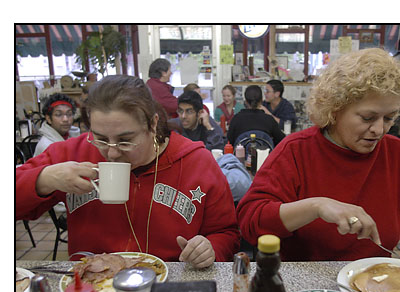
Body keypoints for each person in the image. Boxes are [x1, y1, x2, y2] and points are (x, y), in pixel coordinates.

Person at [237, 48, 400, 273]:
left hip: (374, 281)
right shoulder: (296, 151)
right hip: (307, 283)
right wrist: (317, 206)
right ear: (335, 109)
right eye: (367, 117)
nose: (379, 130)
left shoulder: (398, 154)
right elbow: (251, 221)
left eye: (389, 118)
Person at [16, 75, 239, 268]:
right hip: (91, 289)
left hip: (169, 288)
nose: (111, 153)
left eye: (125, 141)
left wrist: (211, 249)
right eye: (101, 139)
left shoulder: (196, 161)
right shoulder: (71, 154)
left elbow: (227, 233)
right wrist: (45, 178)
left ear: (152, 125)